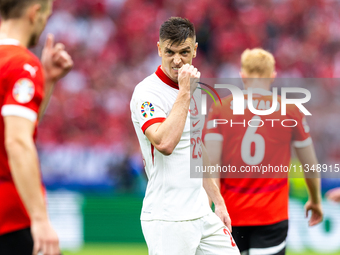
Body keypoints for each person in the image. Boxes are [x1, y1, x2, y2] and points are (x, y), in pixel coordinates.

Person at [130, 17, 240, 255]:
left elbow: (198, 151)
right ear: (159, 48)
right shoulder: (147, 93)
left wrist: (218, 203)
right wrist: (184, 93)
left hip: (202, 213)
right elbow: (164, 143)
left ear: (195, 50)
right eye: (169, 52)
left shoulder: (195, 89)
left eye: (184, 52)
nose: (177, 60)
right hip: (168, 218)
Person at [204, 48, 323, 255]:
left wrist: (210, 206)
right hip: (271, 215)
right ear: (273, 76)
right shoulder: (290, 110)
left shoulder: (221, 108)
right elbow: (310, 165)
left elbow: (210, 166)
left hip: (231, 213)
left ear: (242, 76)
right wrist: (315, 200)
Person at [0, 0, 73, 255]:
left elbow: (12, 128)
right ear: (34, 13)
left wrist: (48, 79)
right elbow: (17, 141)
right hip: (10, 219)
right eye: (46, 17)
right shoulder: (21, 64)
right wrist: (40, 219)